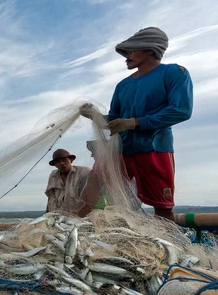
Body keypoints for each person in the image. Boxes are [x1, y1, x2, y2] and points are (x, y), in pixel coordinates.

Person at [80, 27, 193, 221]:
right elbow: (113, 121)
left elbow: (181, 110)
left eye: (131, 51)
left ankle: (165, 243)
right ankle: (75, 225)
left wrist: (135, 123)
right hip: (120, 149)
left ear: (149, 49)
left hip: (154, 148)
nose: (126, 56)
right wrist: (94, 115)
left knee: (162, 205)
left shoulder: (174, 73)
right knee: (94, 180)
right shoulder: (123, 85)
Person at [45, 149, 90, 214]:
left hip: (77, 215)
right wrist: (46, 214)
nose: (62, 163)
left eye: (64, 160)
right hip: (56, 214)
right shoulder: (53, 175)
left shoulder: (84, 171)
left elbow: (91, 194)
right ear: (55, 165)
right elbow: (50, 196)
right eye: (58, 161)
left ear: (71, 160)